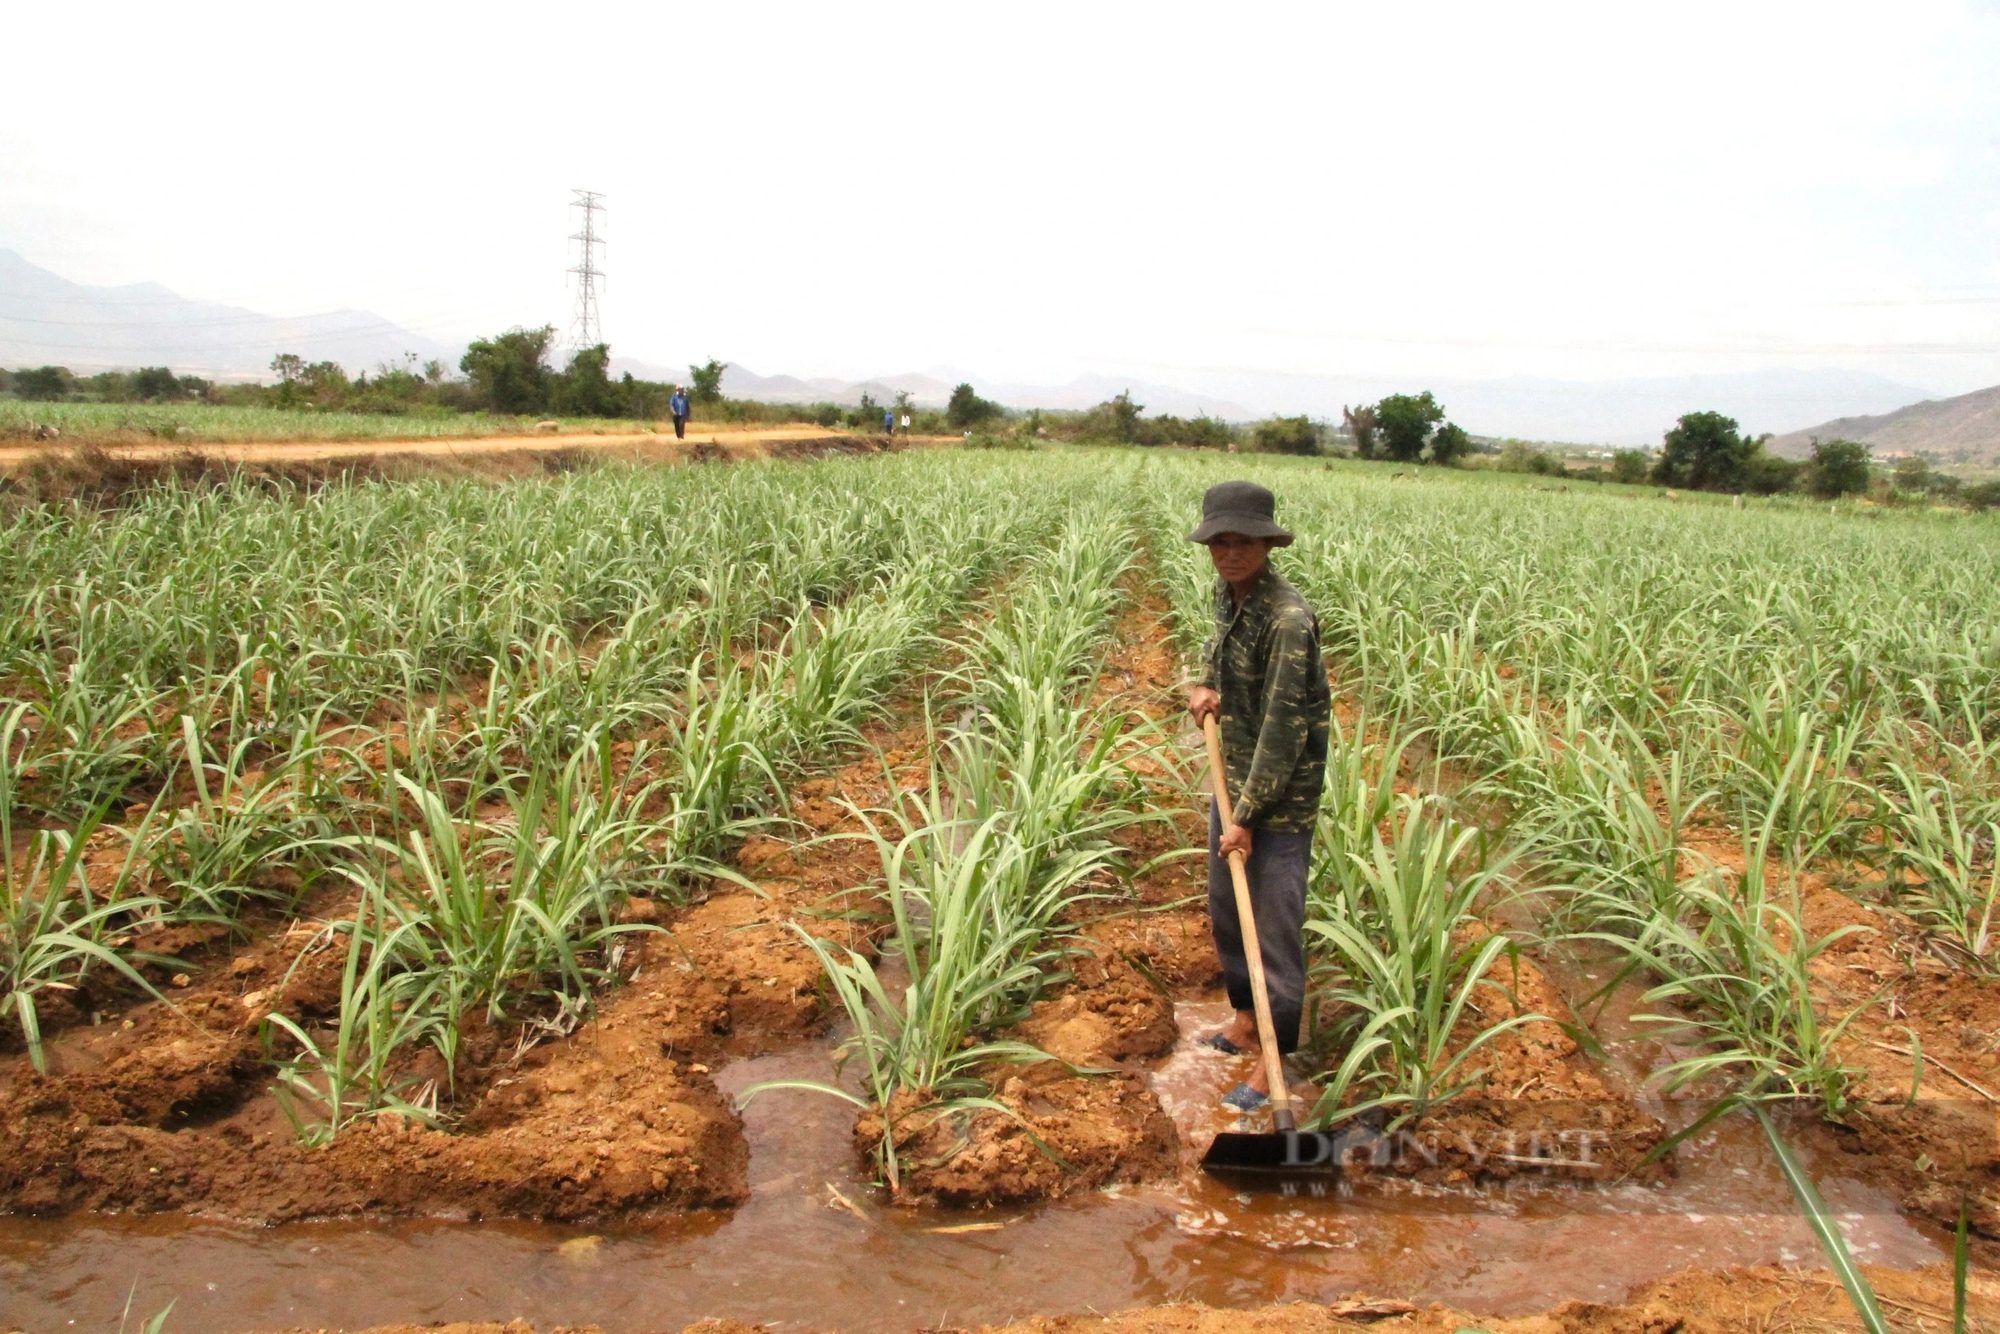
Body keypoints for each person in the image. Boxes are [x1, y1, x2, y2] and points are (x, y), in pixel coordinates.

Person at [1185, 479, 1330, 1115]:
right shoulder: (1231, 594)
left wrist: (1246, 818)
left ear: (1267, 544)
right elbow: (1220, 654)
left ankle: (1279, 1064)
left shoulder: (1288, 619)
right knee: (1226, 906)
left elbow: (1283, 728)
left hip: (1277, 796)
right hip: (1234, 774)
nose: (1231, 552)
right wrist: (1206, 687)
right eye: (1221, 540)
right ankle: (1246, 1021)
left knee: (1270, 923)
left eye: (1243, 541)